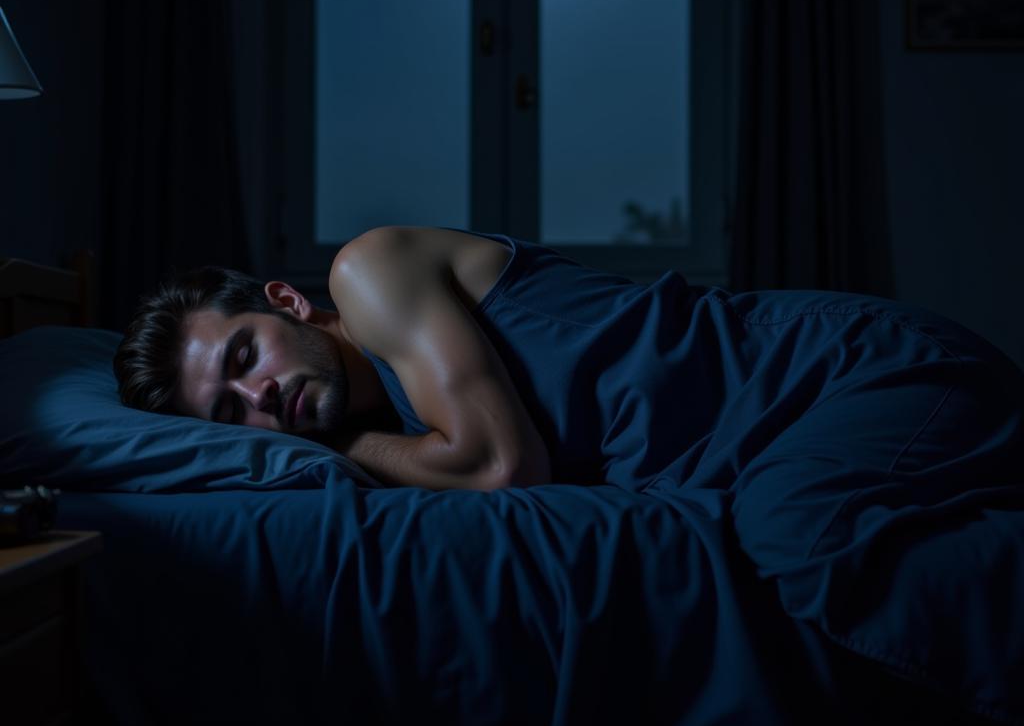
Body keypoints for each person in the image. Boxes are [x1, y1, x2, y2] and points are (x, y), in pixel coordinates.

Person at [115, 225, 1024, 514]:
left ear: (286, 300)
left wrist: (350, 442)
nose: (258, 397)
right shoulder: (398, 427)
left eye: (244, 356)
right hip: (793, 431)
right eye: (229, 414)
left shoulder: (370, 269)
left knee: (801, 535)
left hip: (846, 368)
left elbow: (500, 468)